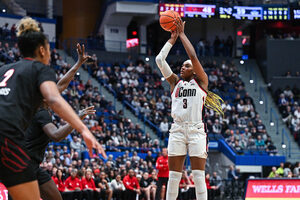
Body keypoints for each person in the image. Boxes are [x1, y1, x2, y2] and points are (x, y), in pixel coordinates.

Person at [0, 17, 104, 200]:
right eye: (49, 48)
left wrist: (78, 64)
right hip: (11, 146)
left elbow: (60, 86)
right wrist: (82, 127)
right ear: (42, 50)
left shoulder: (5, 70)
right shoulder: (39, 71)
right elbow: (54, 97)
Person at [155, 18, 223, 200]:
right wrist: (172, 39)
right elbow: (159, 60)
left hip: (196, 130)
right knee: (174, 177)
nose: (182, 67)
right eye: (182, 65)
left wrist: (183, 35)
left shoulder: (201, 82)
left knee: (199, 176)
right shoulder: (175, 82)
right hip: (177, 129)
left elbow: (193, 57)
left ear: (194, 71)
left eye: (186, 66)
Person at [25, 43, 95, 200]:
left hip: (31, 165)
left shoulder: (39, 104)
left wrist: (78, 64)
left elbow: (62, 84)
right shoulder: (41, 112)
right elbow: (56, 135)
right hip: (24, 167)